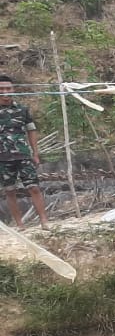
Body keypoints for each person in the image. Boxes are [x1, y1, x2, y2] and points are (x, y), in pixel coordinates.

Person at [0, 75, 49, 229]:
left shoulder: (22, 110)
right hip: (3, 158)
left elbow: (32, 131)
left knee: (34, 187)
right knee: (10, 191)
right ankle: (20, 224)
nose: (5, 92)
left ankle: (44, 221)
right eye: (2, 89)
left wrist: (35, 153)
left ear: (13, 89)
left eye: (8, 88)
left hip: (23, 155)